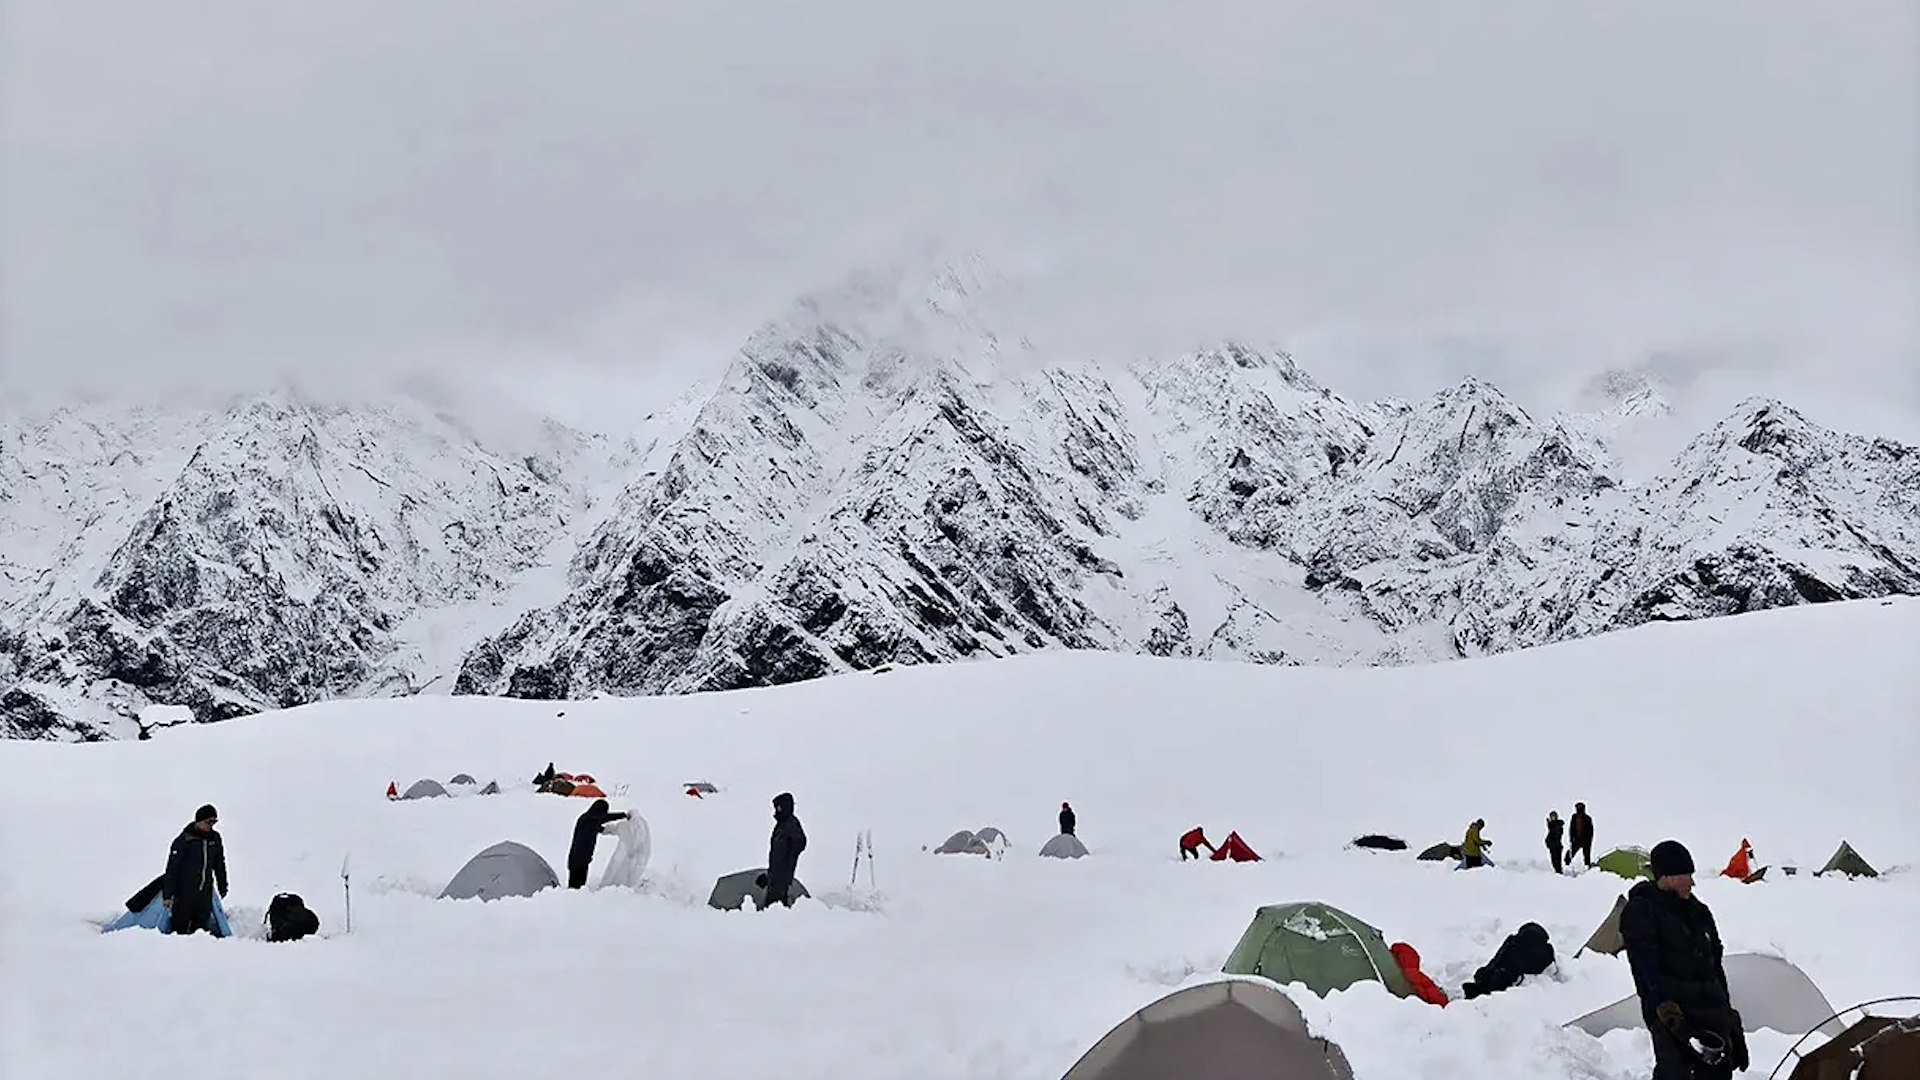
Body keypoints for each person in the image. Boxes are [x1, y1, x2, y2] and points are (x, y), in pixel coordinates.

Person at [1620, 840, 1748, 1079]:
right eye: (1686, 875)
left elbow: (1714, 966)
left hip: (1712, 1014)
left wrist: (1728, 1014)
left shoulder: (1700, 912)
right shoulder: (1642, 911)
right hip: (1673, 1016)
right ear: (1667, 877)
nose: (1692, 882)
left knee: (1718, 1073)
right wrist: (1664, 1007)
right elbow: (1644, 965)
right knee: (1674, 1073)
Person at [162, 804, 228, 936]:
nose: (211, 825)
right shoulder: (184, 840)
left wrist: (222, 885)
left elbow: (219, 864)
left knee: (201, 930)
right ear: (199, 821)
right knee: (181, 928)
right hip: (184, 893)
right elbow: (172, 869)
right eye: (208, 822)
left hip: (205, 893)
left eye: (214, 822)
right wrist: (167, 895)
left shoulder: (215, 838)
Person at [1460, 923, 1555, 999]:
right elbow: (1497, 962)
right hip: (1493, 980)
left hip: (1497, 984)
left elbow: (1502, 972)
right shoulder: (1513, 945)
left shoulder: (1522, 953)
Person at [567, 798, 630, 889]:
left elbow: (597, 827)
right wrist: (623, 815)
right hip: (578, 859)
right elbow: (603, 818)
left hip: (582, 858)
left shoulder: (588, 819)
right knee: (575, 886)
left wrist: (610, 830)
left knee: (579, 885)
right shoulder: (589, 818)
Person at [764, 791, 807, 908]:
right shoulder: (781, 825)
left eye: (778, 807)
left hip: (782, 879)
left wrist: (790, 856)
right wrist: (769, 875)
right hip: (775, 877)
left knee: (775, 909)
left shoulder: (791, 824)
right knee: (772, 908)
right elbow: (776, 856)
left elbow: (801, 842)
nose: (776, 811)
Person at [1568, 802, 1595, 868]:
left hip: (1585, 840)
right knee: (1571, 854)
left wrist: (1589, 840)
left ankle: (1587, 867)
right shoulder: (1574, 817)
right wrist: (1571, 838)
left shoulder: (1587, 818)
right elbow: (1571, 828)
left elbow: (1590, 830)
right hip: (1576, 839)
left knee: (1586, 855)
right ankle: (1567, 865)